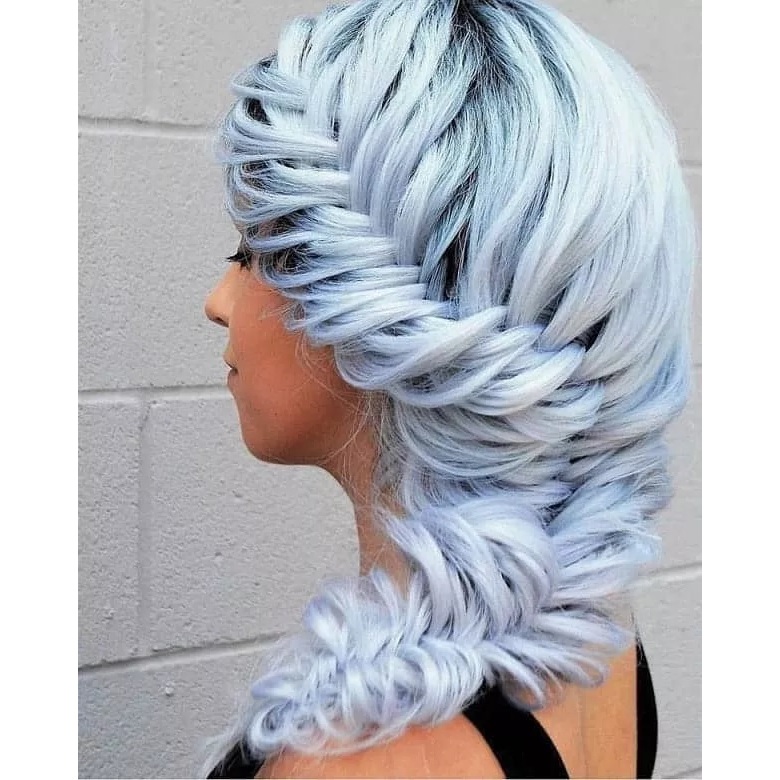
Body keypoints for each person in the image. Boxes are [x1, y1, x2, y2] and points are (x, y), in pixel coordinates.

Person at [201, 0, 694, 776]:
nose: (218, 301)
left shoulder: (361, 764)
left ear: (370, 306)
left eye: (253, 253)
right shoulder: (592, 635)